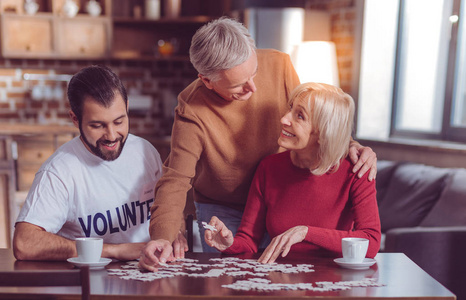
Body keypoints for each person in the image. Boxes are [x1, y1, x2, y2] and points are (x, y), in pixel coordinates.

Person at [139, 17, 377, 270]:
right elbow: (176, 179)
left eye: (254, 73)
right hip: (225, 206)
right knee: (229, 279)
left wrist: (348, 144)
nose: (252, 87)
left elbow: (314, 117)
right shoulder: (191, 107)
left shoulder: (279, 64)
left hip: (281, 196)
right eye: (239, 85)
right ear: (207, 80)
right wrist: (163, 235)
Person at [13, 65, 187, 261]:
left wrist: (175, 232)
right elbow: (24, 243)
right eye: (97, 125)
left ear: (127, 108)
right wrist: (115, 251)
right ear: (75, 119)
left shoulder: (146, 151)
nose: (112, 136)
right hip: (92, 277)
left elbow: (169, 202)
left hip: (153, 270)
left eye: (119, 122)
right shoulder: (59, 171)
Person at [204, 82, 381, 263]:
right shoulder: (269, 167)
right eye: (290, 109)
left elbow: (371, 242)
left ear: (323, 133)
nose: (284, 119)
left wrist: (306, 232)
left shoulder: (356, 170)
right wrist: (229, 244)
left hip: (337, 283)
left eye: (299, 116)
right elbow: (249, 241)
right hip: (281, 281)